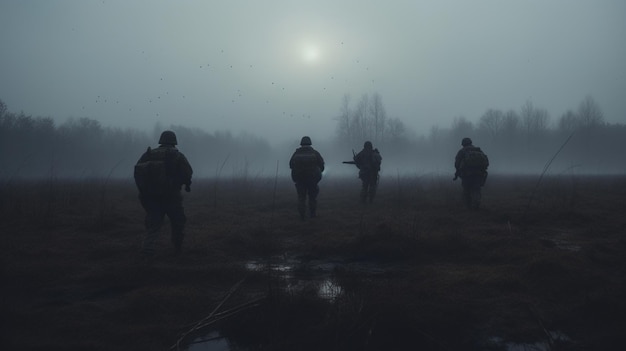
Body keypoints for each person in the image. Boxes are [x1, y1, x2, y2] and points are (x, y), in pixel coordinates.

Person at [134, 130, 193, 257]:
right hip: (172, 196)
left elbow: (138, 172)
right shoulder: (177, 155)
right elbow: (188, 173)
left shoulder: (148, 154)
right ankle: (177, 251)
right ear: (174, 142)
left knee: (153, 225)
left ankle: (147, 252)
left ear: (161, 140)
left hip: (151, 197)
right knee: (178, 223)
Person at [289, 136, 325, 220]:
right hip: (312, 179)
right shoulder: (315, 153)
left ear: (301, 143)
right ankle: (312, 215)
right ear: (310, 143)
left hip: (300, 180)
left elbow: (291, 165)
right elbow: (322, 165)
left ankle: (302, 216)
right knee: (312, 197)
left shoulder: (296, 153)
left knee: (301, 198)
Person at [454, 137, 489, 209]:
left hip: (467, 174)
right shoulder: (478, 150)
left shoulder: (462, 151)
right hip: (479, 174)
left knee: (466, 189)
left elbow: (457, 163)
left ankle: (468, 206)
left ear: (463, 144)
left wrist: (457, 173)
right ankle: (476, 205)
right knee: (476, 189)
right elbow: (485, 161)